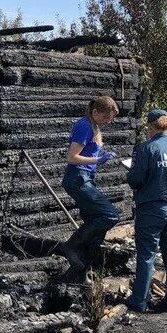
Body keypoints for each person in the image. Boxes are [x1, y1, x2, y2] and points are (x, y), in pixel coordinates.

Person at [125, 110, 167, 314]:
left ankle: (139, 301)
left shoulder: (146, 149)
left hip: (153, 208)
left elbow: (135, 180)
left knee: (146, 255)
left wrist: (132, 172)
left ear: (151, 127)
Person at [58, 96, 122, 271]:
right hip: (78, 179)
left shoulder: (94, 126)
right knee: (110, 215)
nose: (108, 122)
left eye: (110, 119)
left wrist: (98, 157)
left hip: (85, 178)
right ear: (95, 112)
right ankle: (71, 246)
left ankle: (82, 268)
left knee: (95, 221)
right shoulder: (84, 126)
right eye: (105, 118)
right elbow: (72, 157)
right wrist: (98, 160)